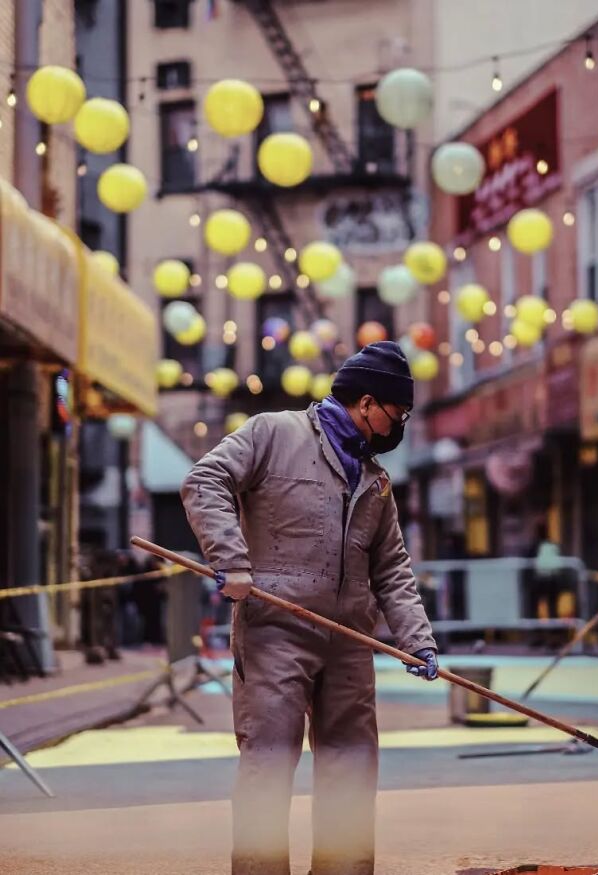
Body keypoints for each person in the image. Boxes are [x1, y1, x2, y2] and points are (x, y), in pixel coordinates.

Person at [180, 341, 437, 875]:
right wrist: (233, 560)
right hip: (276, 629)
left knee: (351, 768)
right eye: (398, 412)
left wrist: (417, 640)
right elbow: (205, 480)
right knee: (269, 768)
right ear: (367, 404)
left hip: (349, 642)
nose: (400, 424)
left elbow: (391, 568)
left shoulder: (376, 481)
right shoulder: (273, 434)